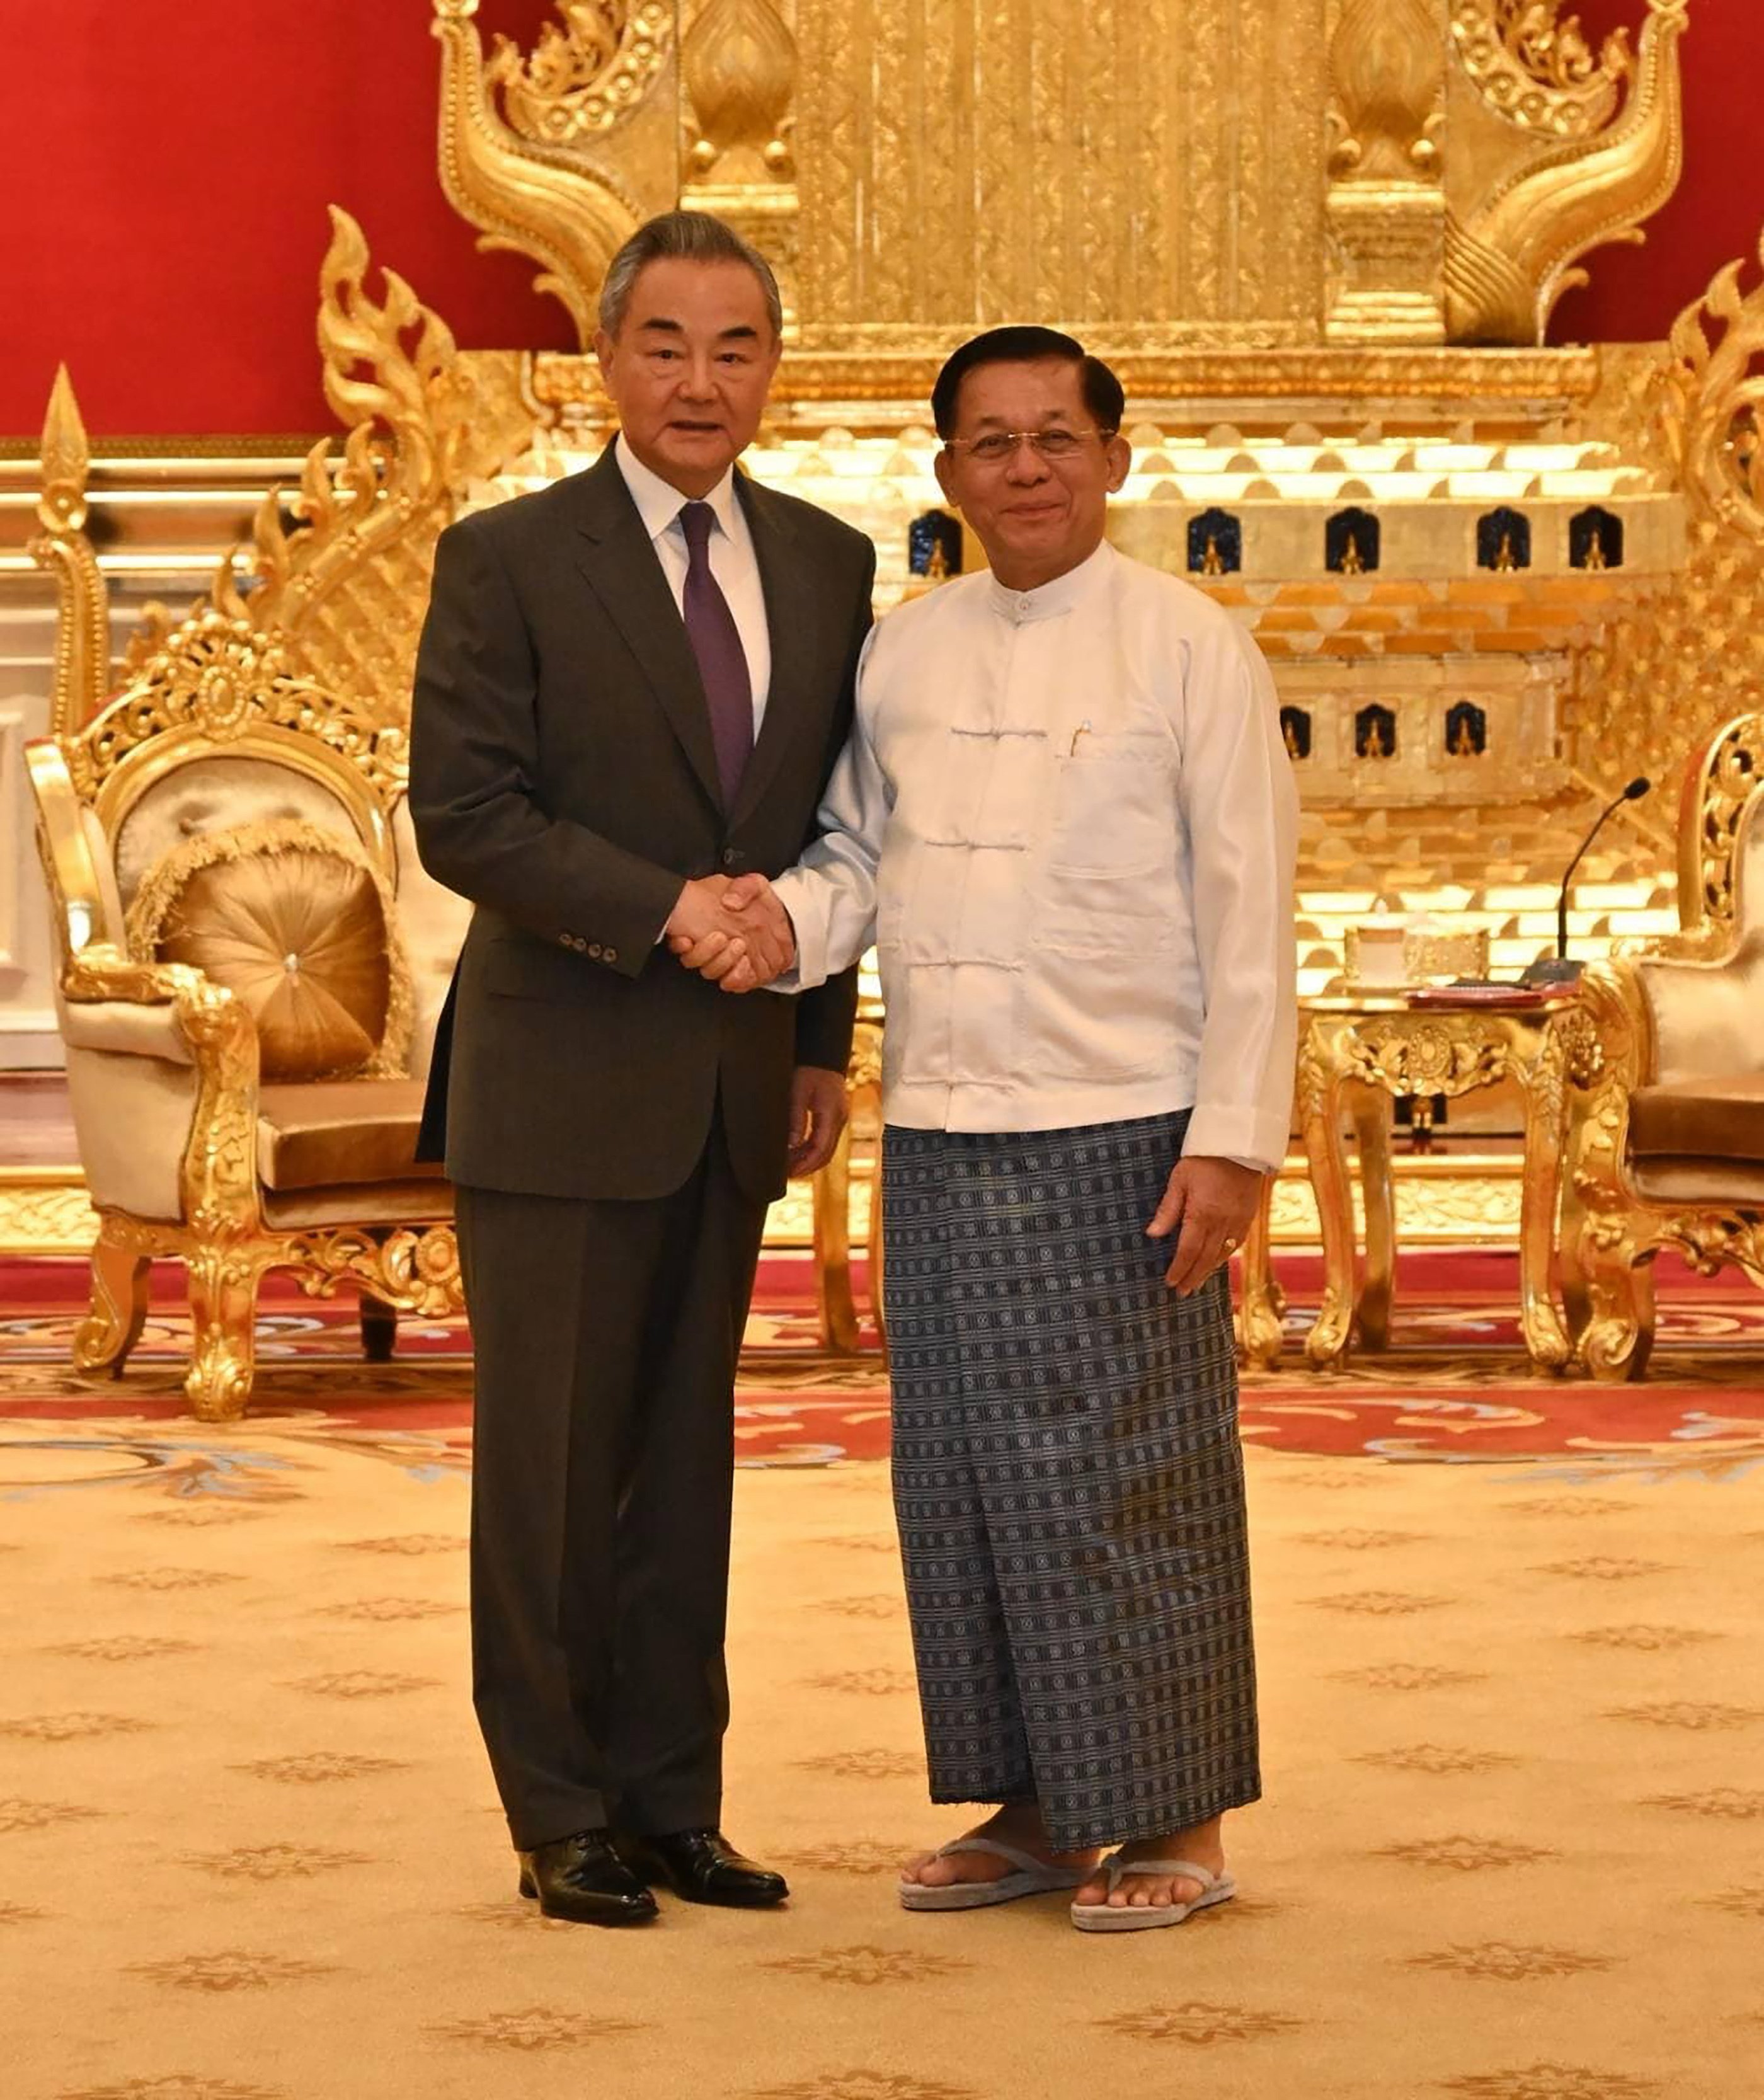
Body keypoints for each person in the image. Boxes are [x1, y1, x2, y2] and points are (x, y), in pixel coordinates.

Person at [676, 325, 1297, 1932]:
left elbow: (1249, 918)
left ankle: (1177, 1817)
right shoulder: (902, 653)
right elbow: (857, 863)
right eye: (990, 443)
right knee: (960, 1483)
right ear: (943, 472)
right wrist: (771, 927)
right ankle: (1028, 1803)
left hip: (1127, 1123)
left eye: (1055, 437)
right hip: (946, 1121)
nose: (1024, 468)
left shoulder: (1190, 648)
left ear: (1114, 455)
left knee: (1128, 1476)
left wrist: (1230, 1140)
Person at [408, 211, 875, 1927]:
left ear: (772, 367)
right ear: (606, 359)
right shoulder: (511, 554)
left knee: (684, 1461)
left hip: (740, 1083)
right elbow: (469, 812)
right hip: (560, 1075)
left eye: (735, 345)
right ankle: (556, 1807)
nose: (700, 378)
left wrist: (819, 1035)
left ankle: (675, 1793)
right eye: (665, 342)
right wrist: (670, 911)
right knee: (551, 1466)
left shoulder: (829, 564)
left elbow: (834, 824)